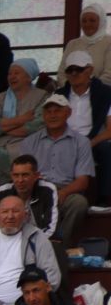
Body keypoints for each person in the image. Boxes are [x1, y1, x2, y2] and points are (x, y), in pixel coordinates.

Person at [22, 94, 97, 243]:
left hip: (65, 191)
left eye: (57, 111)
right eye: (48, 112)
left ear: (68, 113)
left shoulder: (81, 142)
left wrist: (62, 193)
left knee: (79, 203)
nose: (52, 115)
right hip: (37, 189)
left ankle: (60, 245)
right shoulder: (29, 142)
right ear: (43, 115)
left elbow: (83, 181)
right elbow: (23, 173)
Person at [0, 60, 47, 200]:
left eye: (16, 73)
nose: (12, 76)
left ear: (29, 77)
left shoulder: (42, 96)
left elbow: (37, 125)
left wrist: (5, 127)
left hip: (28, 140)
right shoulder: (0, 97)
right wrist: (22, 119)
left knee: (24, 155)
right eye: (10, 73)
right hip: (1, 141)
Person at [58, 52, 111, 200]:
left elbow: (110, 130)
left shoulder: (106, 93)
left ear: (90, 70)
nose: (74, 74)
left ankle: (104, 200)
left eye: (79, 69)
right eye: (70, 70)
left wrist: (90, 142)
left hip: (93, 140)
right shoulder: (59, 95)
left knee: (106, 150)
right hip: (64, 139)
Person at [0, 153, 65, 245]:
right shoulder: (1, 192)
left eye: (25, 175)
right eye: (16, 175)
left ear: (36, 176)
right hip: (7, 242)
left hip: (39, 244)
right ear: (11, 176)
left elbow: (52, 229)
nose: (20, 180)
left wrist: (28, 245)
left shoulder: (48, 190)